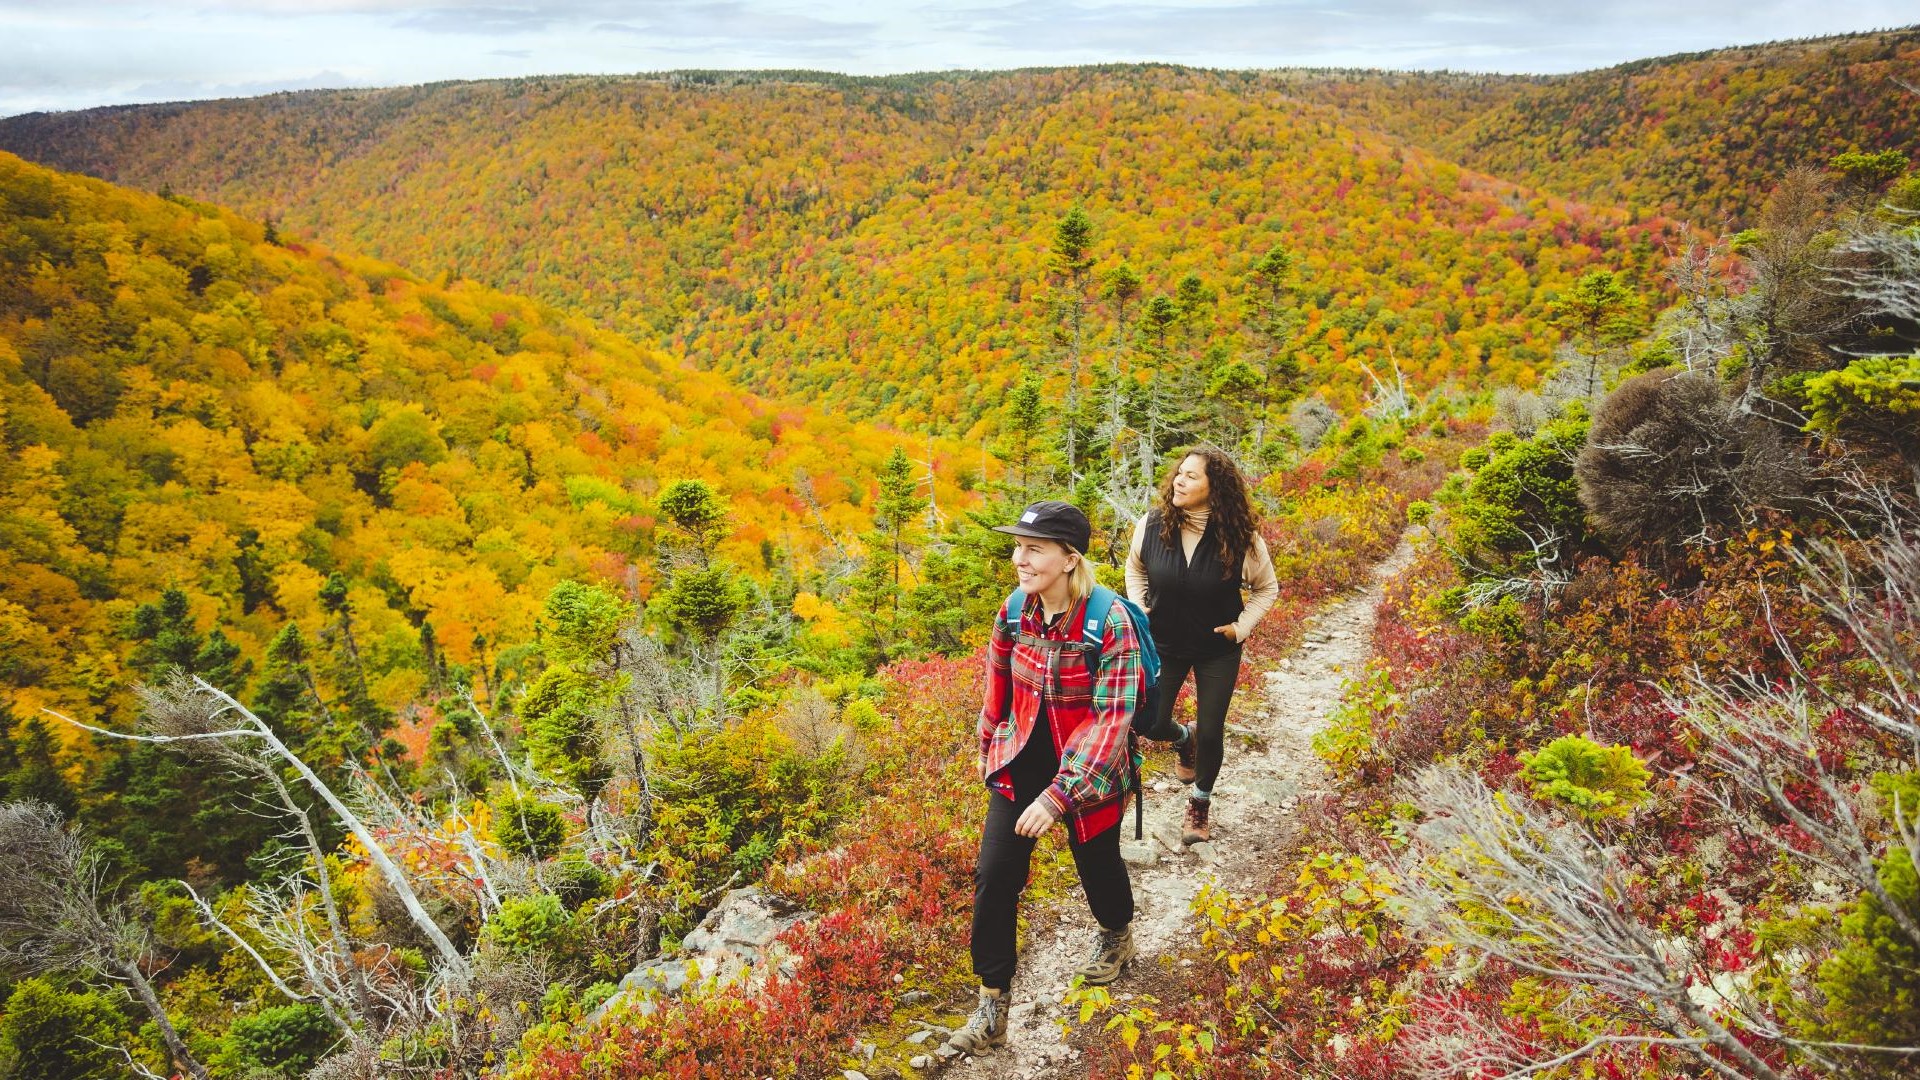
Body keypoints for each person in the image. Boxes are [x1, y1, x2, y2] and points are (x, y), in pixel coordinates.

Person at [943, 499, 1150, 1056]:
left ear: (1069, 558)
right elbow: (998, 687)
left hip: (1089, 769)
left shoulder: (1111, 622)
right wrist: (988, 746)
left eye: (1034, 549)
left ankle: (1116, 933)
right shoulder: (1015, 611)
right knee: (994, 877)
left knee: (1097, 864)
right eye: (1019, 547)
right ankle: (991, 1010)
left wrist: (1059, 796)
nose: (1020, 559)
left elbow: (1112, 720)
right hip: (1022, 761)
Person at [1127, 446, 1279, 846]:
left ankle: (1200, 802)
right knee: (1150, 722)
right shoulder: (1152, 524)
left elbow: (1267, 588)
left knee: (1212, 730)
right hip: (1164, 643)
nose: (1179, 480)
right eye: (1180, 472)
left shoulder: (1241, 537)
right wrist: (1140, 604)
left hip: (1216, 648)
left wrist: (1240, 627)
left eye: (1192, 476)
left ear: (1215, 489)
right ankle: (1183, 739)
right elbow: (1136, 566)